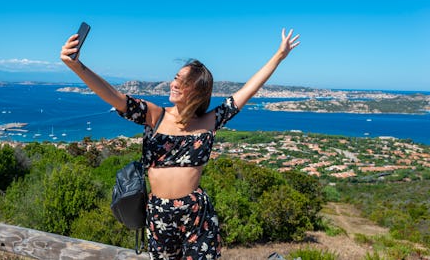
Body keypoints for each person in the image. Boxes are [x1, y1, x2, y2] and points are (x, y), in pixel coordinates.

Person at [60, 28, 300, 260]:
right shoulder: (155, 115)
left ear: (198, 92)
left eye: (183, 82)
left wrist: (279, 55)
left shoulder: (209, 121)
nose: (174, 84)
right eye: (176, 78)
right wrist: (77, 66)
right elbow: (114, 96)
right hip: (159, 213)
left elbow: (249, 89)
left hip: (197, 214)